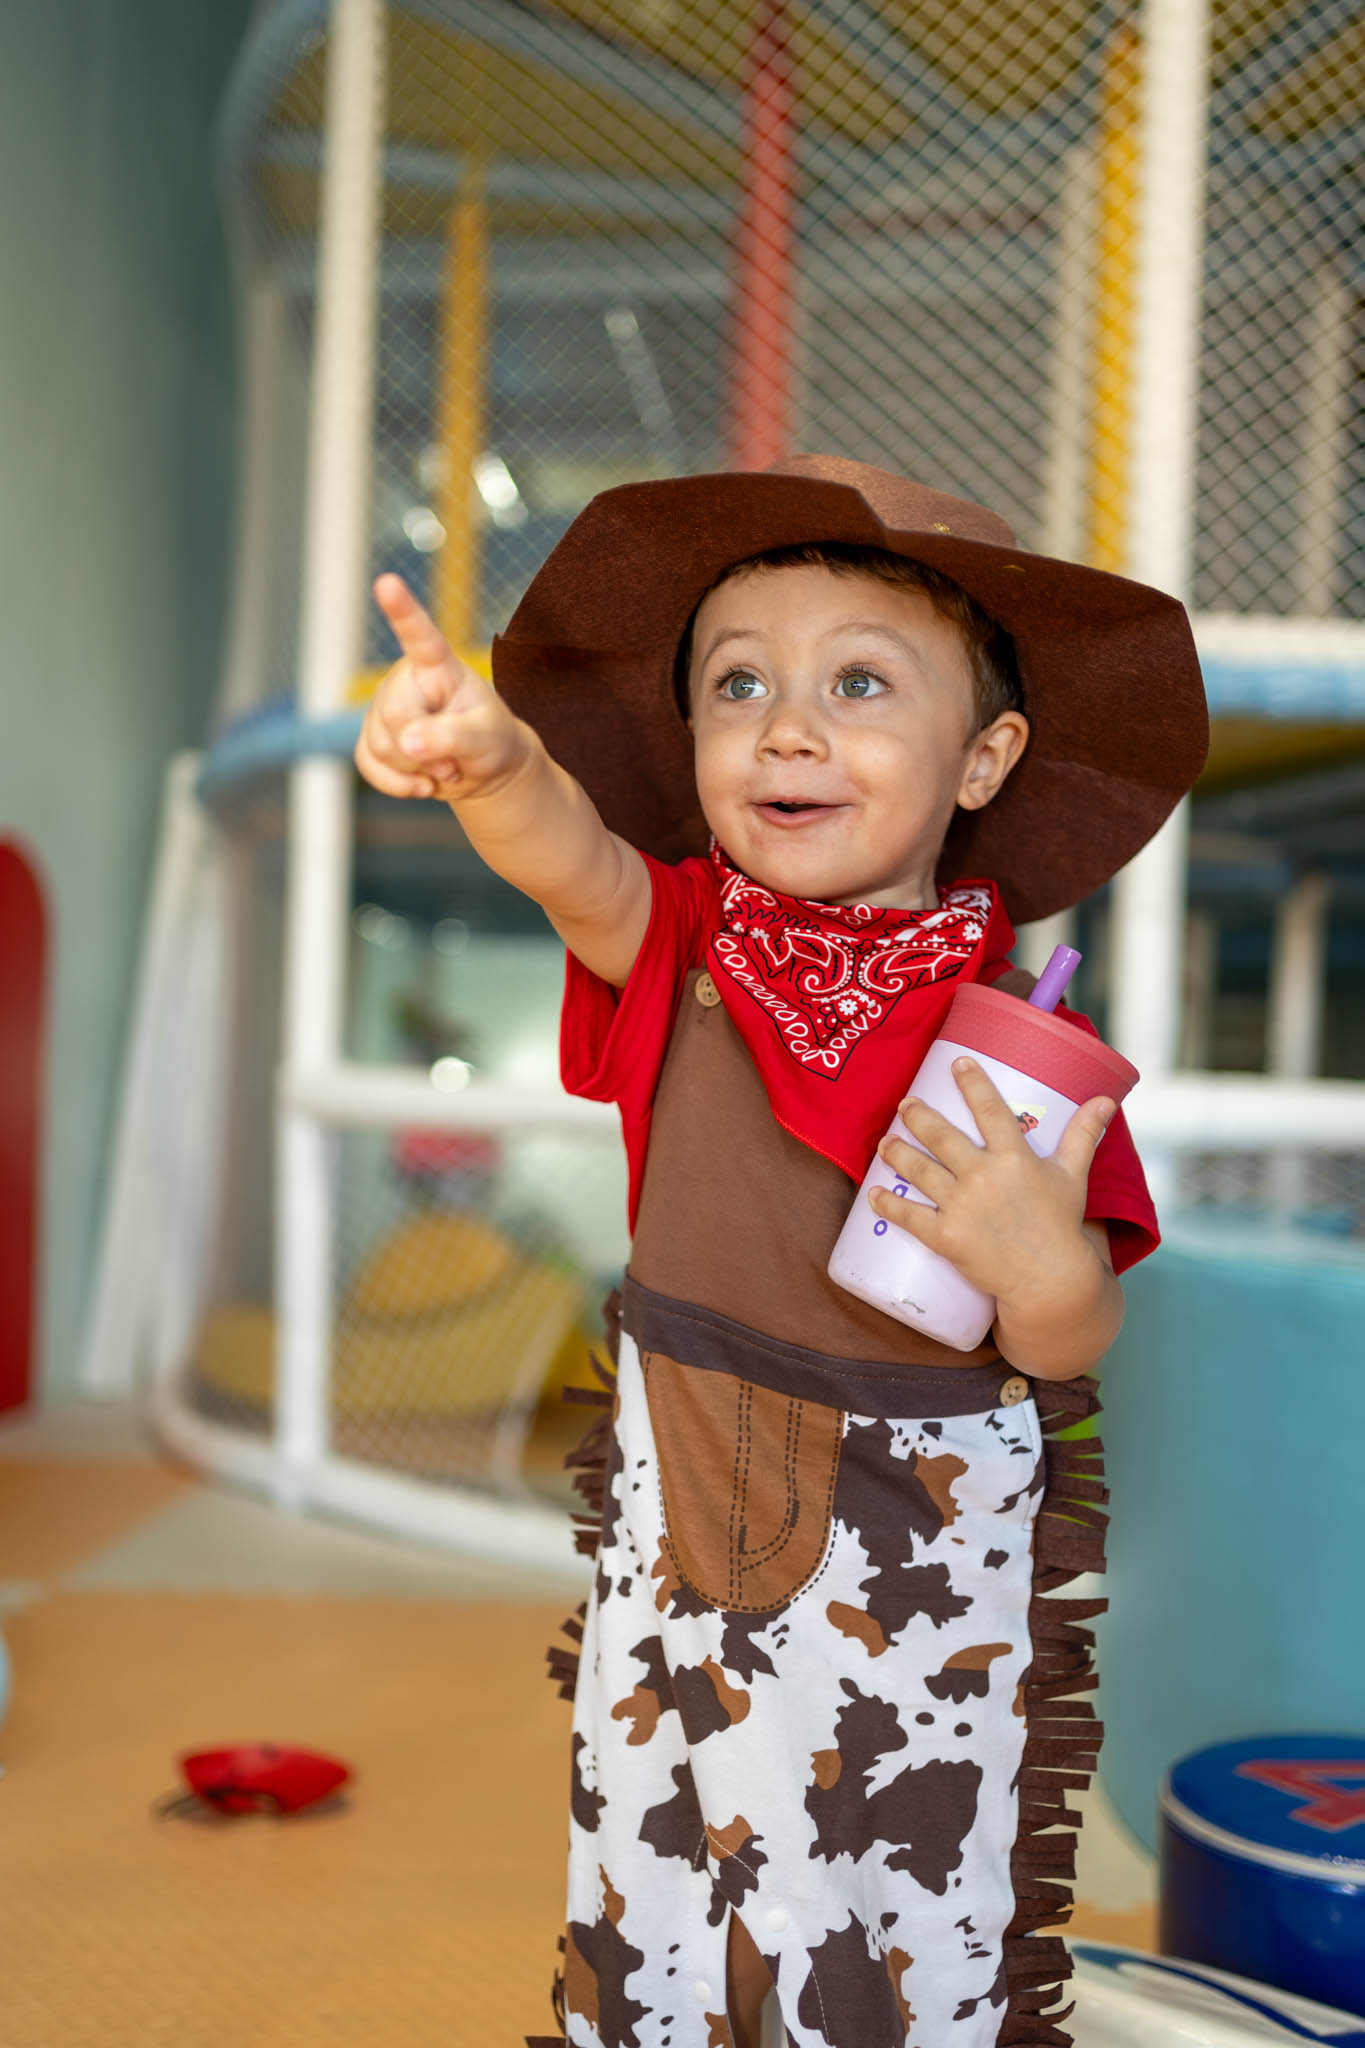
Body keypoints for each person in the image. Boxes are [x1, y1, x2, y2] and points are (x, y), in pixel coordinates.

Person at [355, 455, 1207, 2048]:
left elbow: (1068, 1341)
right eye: (736, 682)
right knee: (658, 1852)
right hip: (686, 1480)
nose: (787, 725)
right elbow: (566, 854)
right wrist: (485, 762)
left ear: (982, 759)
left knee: (890, 1893)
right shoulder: (680, 931)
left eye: (858, 682)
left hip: (917, 1536)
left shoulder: (1017, 1046)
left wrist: (1032, 1255)